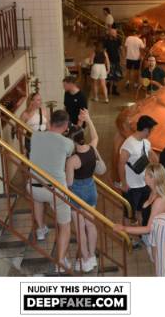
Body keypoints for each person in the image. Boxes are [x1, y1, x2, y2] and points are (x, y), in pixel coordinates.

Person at [28, 109, 74, 271]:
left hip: (33, 186)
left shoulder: (35, 136)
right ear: (66, 125)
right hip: (55, 191)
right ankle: (60, 262)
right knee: (65, 226)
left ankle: (41, 229)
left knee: (38, 199)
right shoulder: (67, 143)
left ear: (51, 121)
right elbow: (68, 154)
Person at [65, 109, 104, 273]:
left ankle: (86, 258)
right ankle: (92, 256)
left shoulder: (73, 160)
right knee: (90, 224)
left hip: (77, 193)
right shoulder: (92, 149)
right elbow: (95, 137)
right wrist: (89, 119)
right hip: (91, 189)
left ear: (72, 142)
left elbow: (69, 182)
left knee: (80, 228)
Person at [113, 163, 165, 259]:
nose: (144, 176)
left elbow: (148, 228)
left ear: (153, 178)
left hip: (158, 240)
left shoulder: (159, 201)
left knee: (158, 263)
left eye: (146, 174)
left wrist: (124, 228)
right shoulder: (152, 192)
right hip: (150, 238)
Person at [118, 115, 159, 228]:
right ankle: (127, 236)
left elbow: (151, 154)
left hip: (144, 184)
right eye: (151, 130)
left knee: (141, 210)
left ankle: (141, 233)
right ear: (146, 129)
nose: (151, 132)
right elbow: (121, 164)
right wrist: (124, 183)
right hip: (131, 187)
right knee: (128, 214)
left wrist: (157, 165)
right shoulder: (128, 144)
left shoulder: (146, 142)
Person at [103, 28, 123, 96]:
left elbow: (120, 49)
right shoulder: (106, 41)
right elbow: (104, 51)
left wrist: (123, 58)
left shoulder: (118, 40)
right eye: (113, 33)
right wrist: (105, 60)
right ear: (110, 33)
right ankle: (108, 89)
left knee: (116, 76)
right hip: (109, 61)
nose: (115, 34)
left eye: (115, 33)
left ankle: (114, 90)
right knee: (108, 76)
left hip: (116, 60)